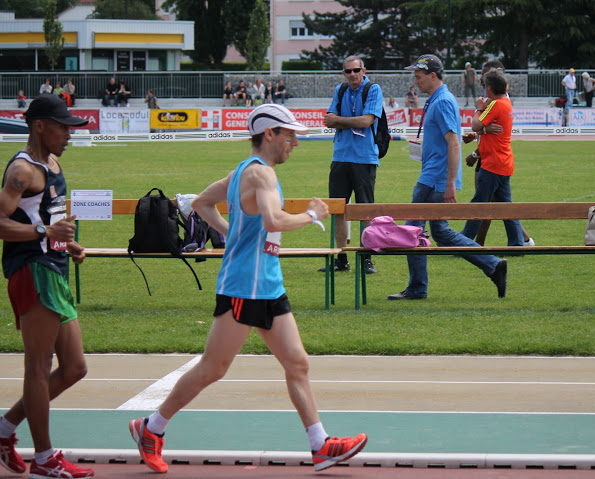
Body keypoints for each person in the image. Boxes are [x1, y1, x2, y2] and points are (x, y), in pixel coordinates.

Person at [128, 103, 368, 474]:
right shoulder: (261, 176)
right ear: (269, 134)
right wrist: (312, 215)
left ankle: (320, 446)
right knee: (213, 368)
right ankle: (151, 428)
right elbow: (272, 218)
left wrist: (231, 233)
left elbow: (202, 204)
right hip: (244, 286)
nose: (295, 143)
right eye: (290, 135)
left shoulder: (241, 172)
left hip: (268, 284)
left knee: (297, 363)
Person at [0, 94, 94, 479]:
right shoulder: (22, 170)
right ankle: (44, 458)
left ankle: (4, 429)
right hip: (32, 272)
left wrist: (65, 242)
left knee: (74, 367)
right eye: (64, 127)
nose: (70, 134)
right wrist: (44, 232)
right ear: (40, 126)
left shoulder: (52, 163)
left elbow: (45, 216)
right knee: (38, 368)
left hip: (53, 267)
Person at [387, 54, 507, 301]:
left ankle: (418, 288)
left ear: (433, 76)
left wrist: (450, 183)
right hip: (434, 176)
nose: (415, 82)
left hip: (434, 180)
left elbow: (454, 144)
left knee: (412, 231)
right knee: (440, 233)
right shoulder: (437, 99)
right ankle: (493, 265)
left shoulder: (441, 102)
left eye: (419, 77)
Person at [321, 55, 384, 274]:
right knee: (338, 210)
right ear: (343, 73)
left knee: (365, 210)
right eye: (348, 71)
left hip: (365, 157)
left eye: (356, 70)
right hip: (340, 157)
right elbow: (328, 119)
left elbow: (367, 121)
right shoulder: (340, 90)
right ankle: (341, 258)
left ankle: (367, 258)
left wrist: (339, 121)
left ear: (363, 70)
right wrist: (339, 120)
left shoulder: (373, 89)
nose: (353, 74)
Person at [462, 60, 533, 247]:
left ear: (490, 88)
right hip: (503, 162)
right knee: (505, 207)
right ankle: (517, 243)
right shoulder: (506, 103)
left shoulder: (495, 105)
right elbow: (484, 130)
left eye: (485, 86)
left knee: (479, 204)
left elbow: (476, 124)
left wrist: (478, 108)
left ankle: (463, 241)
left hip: (492, 164)